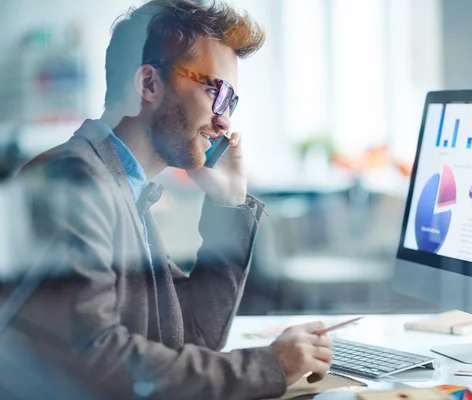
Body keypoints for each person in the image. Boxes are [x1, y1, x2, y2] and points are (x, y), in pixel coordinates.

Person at [0, 1, 332, 399]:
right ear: (149, 84)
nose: (224, 120)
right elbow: (95, 360)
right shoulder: (75, 180)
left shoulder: (123, 185)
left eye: (231, 101)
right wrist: (268, 366)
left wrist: (227, 205)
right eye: (216, 90)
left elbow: (189, 338)